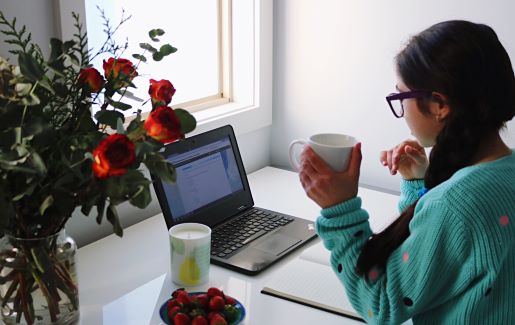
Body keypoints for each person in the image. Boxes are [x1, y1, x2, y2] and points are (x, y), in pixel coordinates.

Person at [298, 20, 515, 324]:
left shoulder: (454, 207)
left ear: (439, 104)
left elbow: (381, 304)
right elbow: (448, 260)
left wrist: (338, 210)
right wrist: (419, 184)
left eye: (401, 98)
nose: (403, 113)